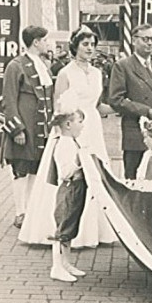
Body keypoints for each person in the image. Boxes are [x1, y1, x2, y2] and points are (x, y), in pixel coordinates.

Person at [19, 25, 116, 249]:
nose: (90, 49)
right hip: (72, 127)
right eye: (85, 44)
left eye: (92, 45)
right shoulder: (65, 73)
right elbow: (58, 107)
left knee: (95, 174)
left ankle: (96, 231)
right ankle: (64, 230)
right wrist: (67, 133)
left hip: (93, 127)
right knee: (72, 177)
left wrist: (124, 109)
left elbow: (98, 105)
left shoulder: (97, 73)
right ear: (75, 46)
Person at [1, 25, 55, 229]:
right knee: (20, 170)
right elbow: (9, 100)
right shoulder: (16, 66)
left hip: (40, 129)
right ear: (36, 42)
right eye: (46, 40)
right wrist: (17, 129)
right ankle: (20, 212)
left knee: (35, 169)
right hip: (25, 128)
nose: (48, 44)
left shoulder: (43, 65)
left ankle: (31, 210)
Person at [109, 24, 152, 179]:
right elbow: (115, 99)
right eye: (145, 39)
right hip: (136, 135)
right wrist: (145, 111)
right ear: (134, 40)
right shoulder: (123, 66)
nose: (150, 43)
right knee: (134, 181)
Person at [46, 97, 88, 283]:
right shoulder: (64, 144)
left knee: (71, 225)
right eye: (80, 122)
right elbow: (65, 172)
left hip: (77, 189)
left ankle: (66, 262)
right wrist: (81, 163)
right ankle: (57, 266)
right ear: (69, 124)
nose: (82, 126)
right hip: (70, 189)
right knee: (63, 228)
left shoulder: (72, 142)